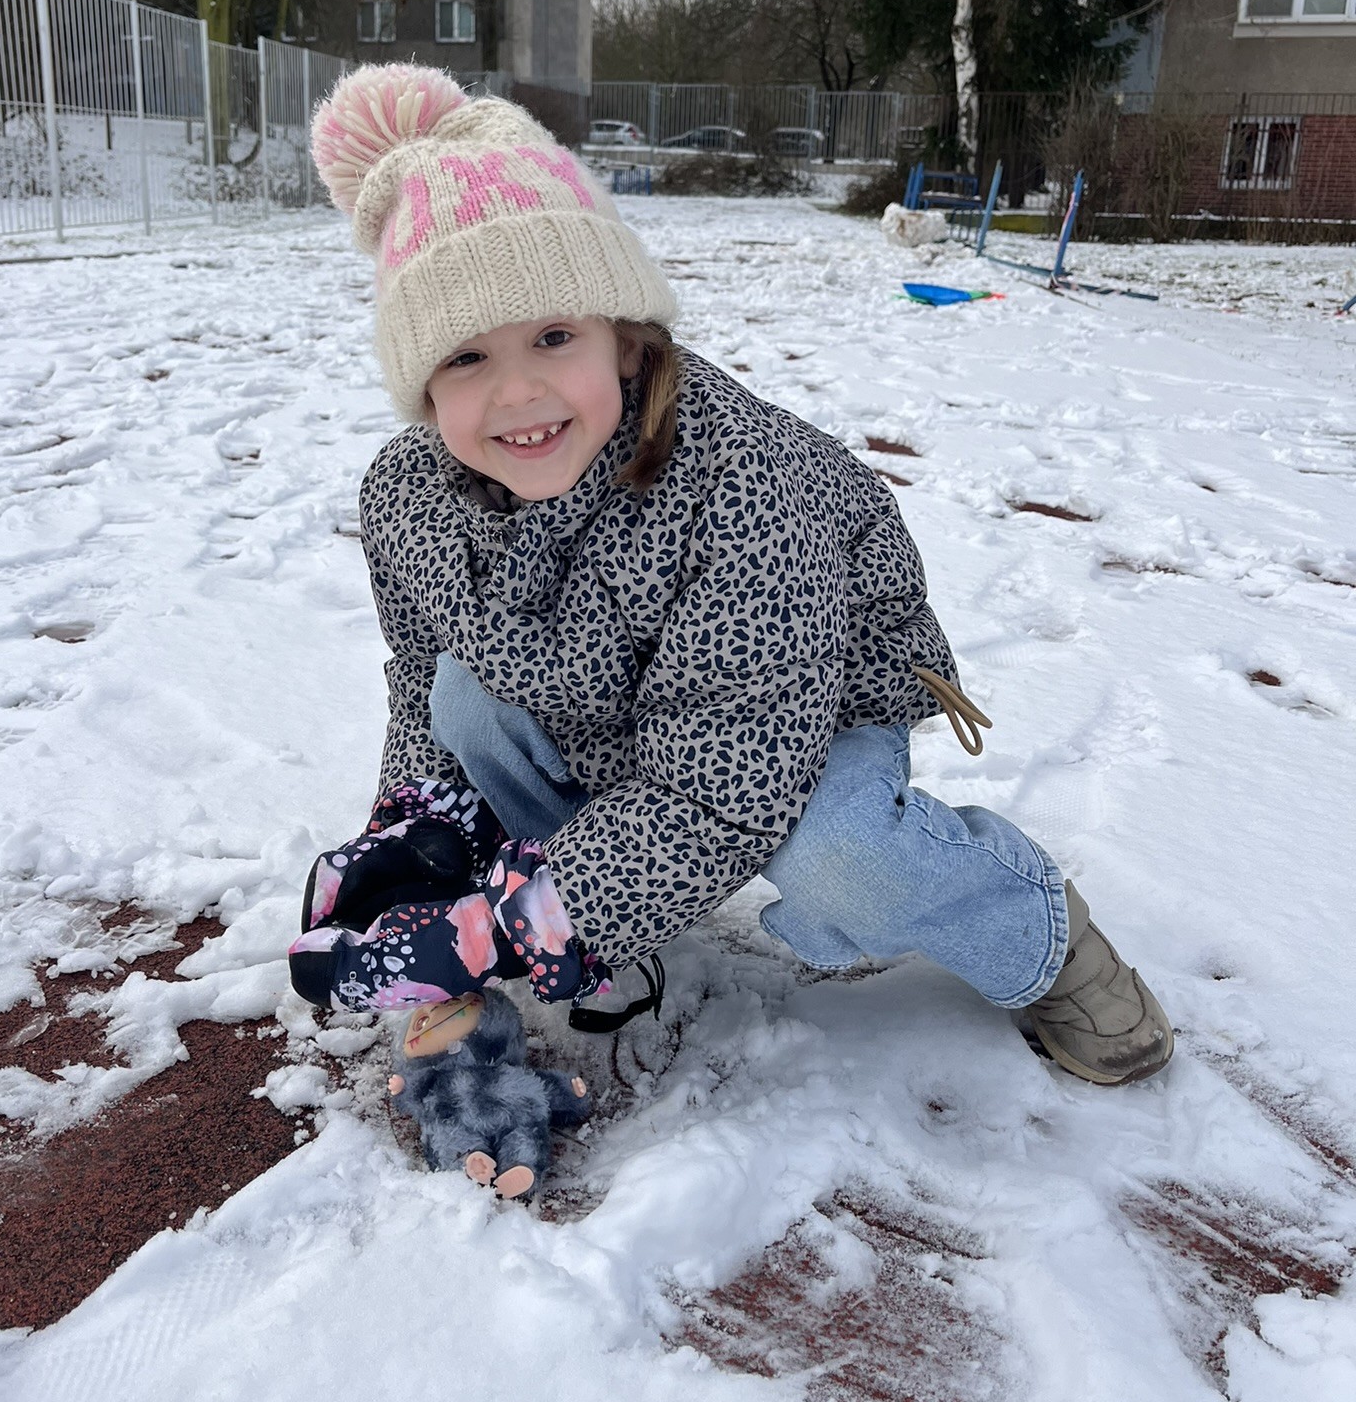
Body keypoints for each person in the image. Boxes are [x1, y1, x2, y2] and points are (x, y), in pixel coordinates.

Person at [287, 63, 1172, 1089]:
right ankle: (602, 913)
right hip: (617, 697)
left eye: (555, 337)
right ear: (421, 384)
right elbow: (419, 674)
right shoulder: (408, 496)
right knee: (461, 699)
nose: (518, 390)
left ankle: (1039, 936)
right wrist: (416, 826)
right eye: (465, 357)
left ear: (625, 341)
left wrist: (506, 928)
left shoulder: (738, 488)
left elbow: (727, 784)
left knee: (838, 853)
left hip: (809, 702)